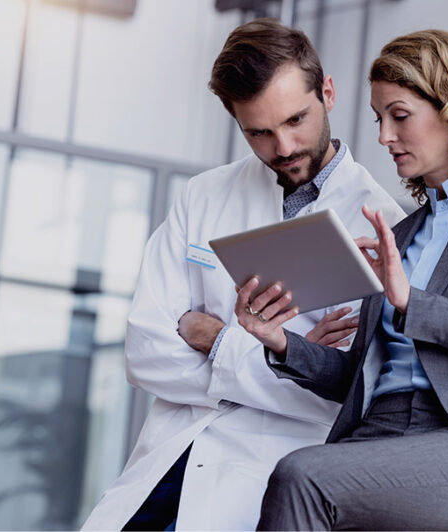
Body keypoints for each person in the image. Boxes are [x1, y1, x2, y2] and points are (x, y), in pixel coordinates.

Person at [235, 29, 448, 530]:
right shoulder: (403, 230)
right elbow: (360, 378)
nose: (383, 137)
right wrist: (279, 341)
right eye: (379, 119)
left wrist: (411, 302)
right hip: (380, 431)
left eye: (399, 115)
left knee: (302, 476)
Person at [80, 18, 404, 531]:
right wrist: (288, 358)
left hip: (263, 480)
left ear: (328, 92)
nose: (284, 147)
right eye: (259, 132)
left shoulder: (385, 226)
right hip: (167, 460)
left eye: (296, 119)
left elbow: (345, 398)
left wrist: (212, 336)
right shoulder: (203, 196)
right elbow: (145, 353)